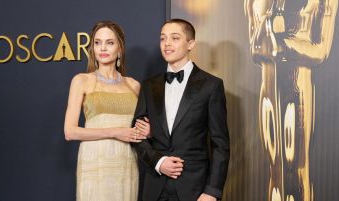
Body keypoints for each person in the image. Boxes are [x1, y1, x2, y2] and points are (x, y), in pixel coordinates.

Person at [245, 0, 338, 200]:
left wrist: (283, 44)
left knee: (297, 166)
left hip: (299, 87)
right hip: (267, 88)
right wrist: (266, 43)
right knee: (274, 167)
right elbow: (254, 48)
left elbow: (321, 50)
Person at [132, 19, 230, 201]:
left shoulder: (211, 86)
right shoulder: (148, 85)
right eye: (163, 38)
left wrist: (212, 191)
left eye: (175, 38)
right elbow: (136, 136)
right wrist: (158, 162)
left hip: (195, 188)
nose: (167, 44)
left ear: (190, 44)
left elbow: (220, 145)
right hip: (154, 186)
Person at [64, 20, 150, 201]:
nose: (102, 48)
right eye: (97, 42)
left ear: (120, 49)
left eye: (109, 42)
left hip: (126, 162)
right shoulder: (81, 80)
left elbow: (143, 129)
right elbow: (70, 132)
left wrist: (148, 132)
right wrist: (115, 132)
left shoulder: (134, 85)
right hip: (96, 162)